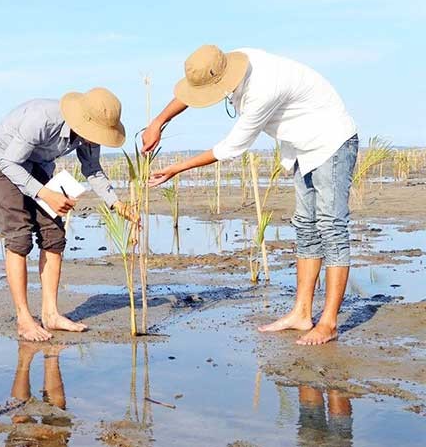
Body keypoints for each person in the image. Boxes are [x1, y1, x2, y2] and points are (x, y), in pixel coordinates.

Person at [142, 45, 358, 345]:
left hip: (331, 141)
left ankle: (329, 322)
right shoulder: (224, 61)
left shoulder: (262, 90)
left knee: (331, 228)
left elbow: (230, 148)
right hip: (301, 146)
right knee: (306, 228)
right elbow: (192, 90)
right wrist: (158, 122)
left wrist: (176, 168)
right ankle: (301, 313)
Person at [0, 88, 137, 342]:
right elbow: (10, 164)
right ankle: (24, 318)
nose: (95, 140)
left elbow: (92, 169)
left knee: (54, 233)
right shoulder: (42, 119)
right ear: (83, 120)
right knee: (20, 238)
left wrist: (117, 204)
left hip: (37, 166)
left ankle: (51, 314)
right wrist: (45, 193)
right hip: (1, 163)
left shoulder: (90, 135)